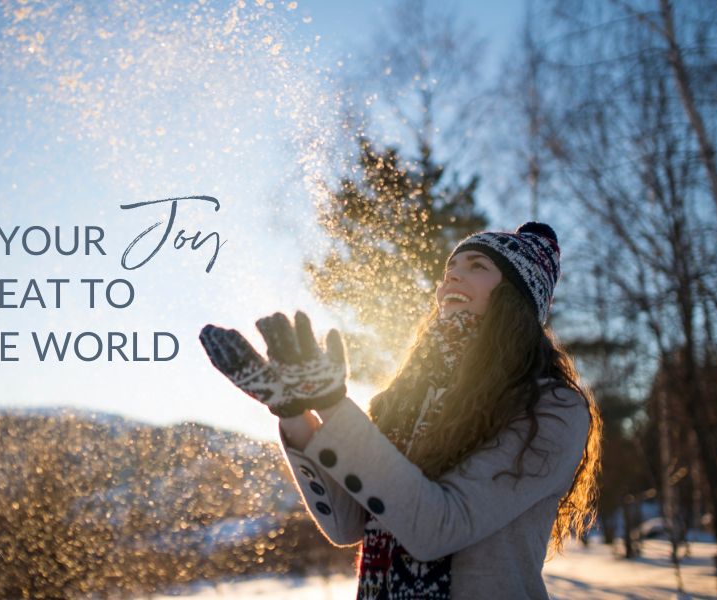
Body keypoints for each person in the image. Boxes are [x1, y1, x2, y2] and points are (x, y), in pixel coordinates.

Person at [199, 222, 602, 599]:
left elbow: (437, 526)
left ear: (516, 298)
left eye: (476, 266)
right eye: (450, 269)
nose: (452, 278)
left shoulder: (552, 407)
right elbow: (347, 523)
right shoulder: (413, 397)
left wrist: (331, 404)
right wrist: (292, 410)